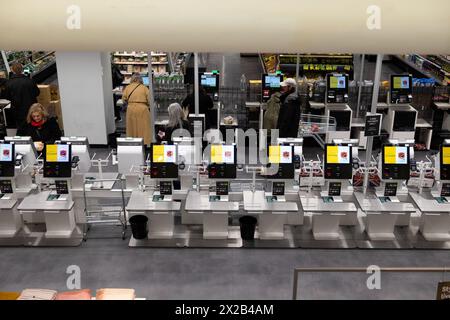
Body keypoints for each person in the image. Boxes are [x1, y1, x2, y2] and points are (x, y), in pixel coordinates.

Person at [3, 63, 40, 129]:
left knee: (22, 127)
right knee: (33, 125)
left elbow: (7, 97)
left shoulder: (9, 83)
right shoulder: (30, 80)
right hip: (31, 108)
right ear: (22, 70)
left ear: (12, 70)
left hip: (17, 110)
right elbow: (37, 93)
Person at [122, 73, 152, 146]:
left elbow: (124, 99)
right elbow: (149, 100)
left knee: (131, 127)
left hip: (131, 108)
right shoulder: (144, 88)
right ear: (140, 79)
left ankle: (132, 142)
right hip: (143, 108)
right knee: (144, 127)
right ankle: (145, 143)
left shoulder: (127, 87)